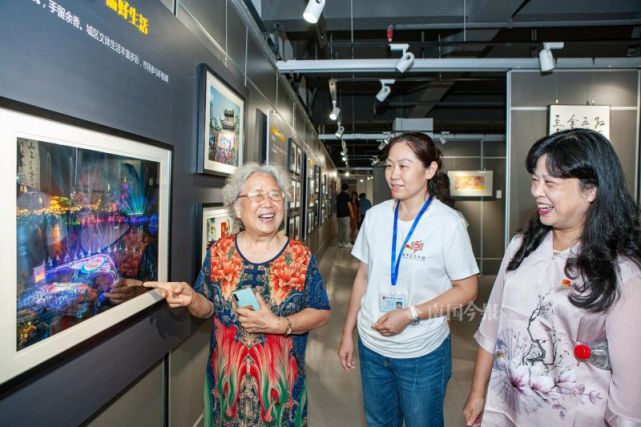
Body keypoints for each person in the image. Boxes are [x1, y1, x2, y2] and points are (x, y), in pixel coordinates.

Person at [463, 129, 641, 426]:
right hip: (507, 406)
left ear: (590, 191)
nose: (536, 191)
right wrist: (477, 392)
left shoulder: (621, 272)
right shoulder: (521, 247)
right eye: (535, 180)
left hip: (572, 416)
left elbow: (630, 383)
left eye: (550, 183)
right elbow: (492, 327)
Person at [145, 162, 331, 427]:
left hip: (280, 395)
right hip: (226, 390)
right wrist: (192, 299)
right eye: (257, 195)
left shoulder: (300, 257)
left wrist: (282, 324)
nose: (268, 202)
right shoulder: (220, 252)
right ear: (237, 208)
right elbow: (208, 307)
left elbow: (321, 311)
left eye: (275, 194)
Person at [338, 132, 479, 427]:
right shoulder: (375, 217)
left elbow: (467, 290)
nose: (394, 175)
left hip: (422, 352)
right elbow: (363, 277)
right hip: (372, 347)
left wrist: (410, 314)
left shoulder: (448, 224)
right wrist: (348, 332)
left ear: (429, 170)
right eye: (389, 165)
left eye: (404, 166)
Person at [336, 183, 352, 247]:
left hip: (339, 215)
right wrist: (352, 213)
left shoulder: (338, 196)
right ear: (347, 189)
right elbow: (349, 205)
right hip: (345, 215)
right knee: (346, 230)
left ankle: (340, 242)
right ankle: (346, 243)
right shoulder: (346, 196)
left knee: (340, 230)